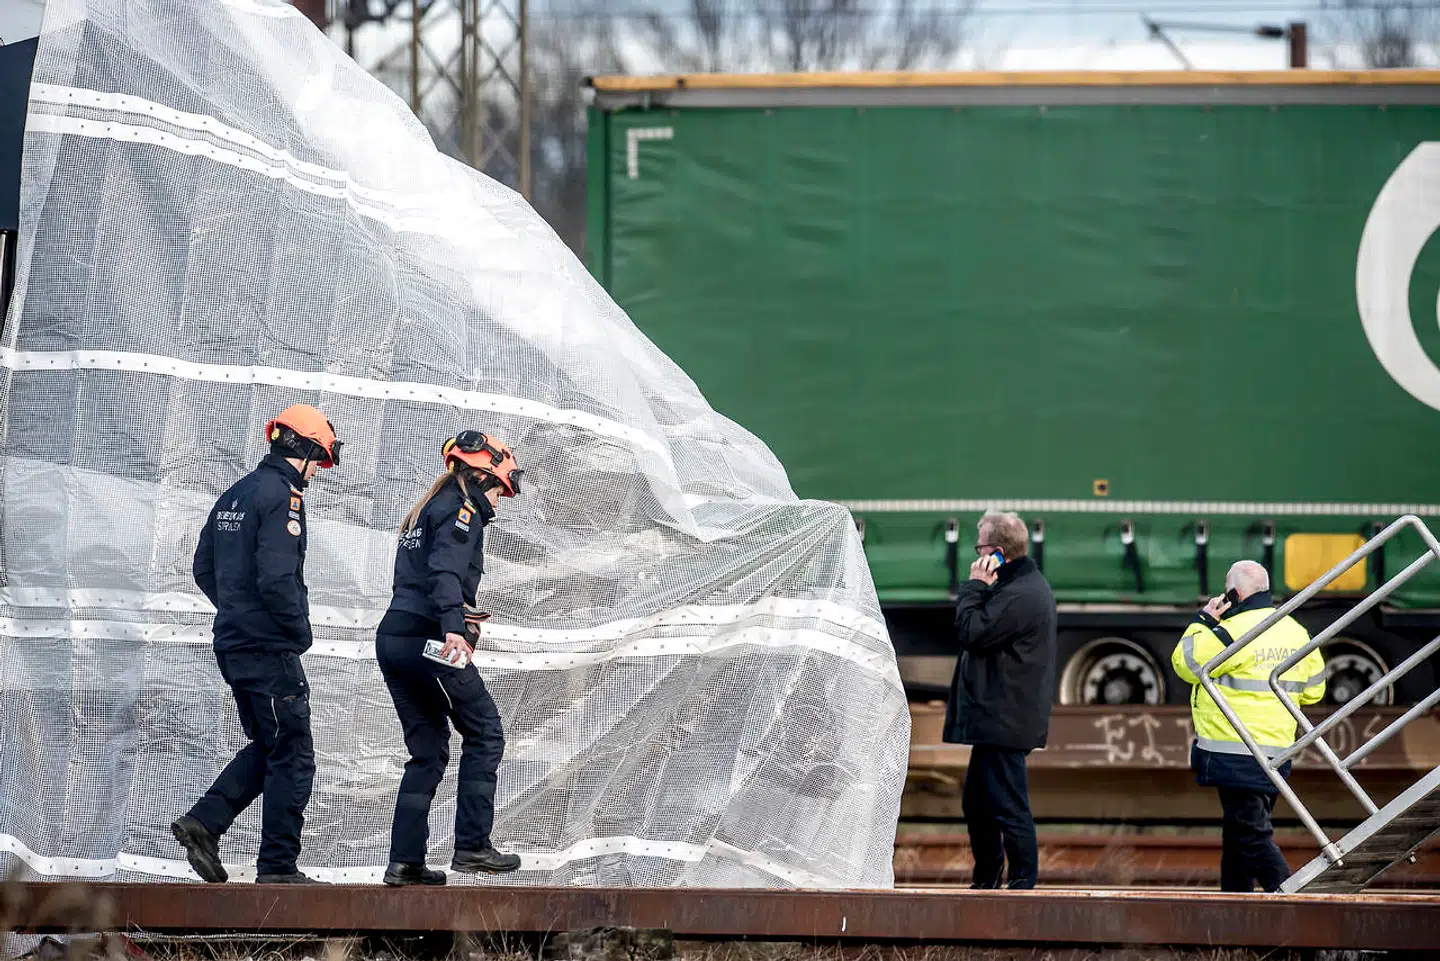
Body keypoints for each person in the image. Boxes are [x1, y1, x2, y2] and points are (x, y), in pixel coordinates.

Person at [173, 404, 343, 885]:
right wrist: (296, 631)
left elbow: (203, 567)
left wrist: (236, 610)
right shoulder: (282, 497)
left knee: (270, 745)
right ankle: (277, 869)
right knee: (293, 753)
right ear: (307, 449)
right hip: (268, 648)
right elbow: (277, 578)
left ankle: (204, 823)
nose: (318, 472)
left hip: (233, 644)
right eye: (320, 460)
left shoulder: (237, 493)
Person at [376, 430, 525, 886]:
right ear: (482, 476)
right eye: (500, 487)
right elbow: (444, 570)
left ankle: (405, 863)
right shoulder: (461, 511)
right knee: (486, 732)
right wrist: (454, 629)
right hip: (432, 641)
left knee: (428, 751)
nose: (500, 499)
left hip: (395, 638)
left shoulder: (426, 509)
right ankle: (473, 847)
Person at [1172, 560, 1326, 893]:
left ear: (1233, 594)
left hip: (1235, 749)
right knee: (1239, 833)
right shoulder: (1295, 631)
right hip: (1277, 751)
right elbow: (1315, 690)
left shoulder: (1232, 631)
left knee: (1252, 837)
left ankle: (1297, 906)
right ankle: (1235, 915)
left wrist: (1203, 620)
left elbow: (1186, 664)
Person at [943, 510, 1056, 890]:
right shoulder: (1015, 588)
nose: (975, 556)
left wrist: (974, 586)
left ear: (995, 552)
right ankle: (987, 879)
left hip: (1005, 720)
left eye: (978, 547)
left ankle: (1023, 886)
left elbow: (971, 631)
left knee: (1008, 805)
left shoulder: (1019, 594)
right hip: (998, 718)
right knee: (978, 804)